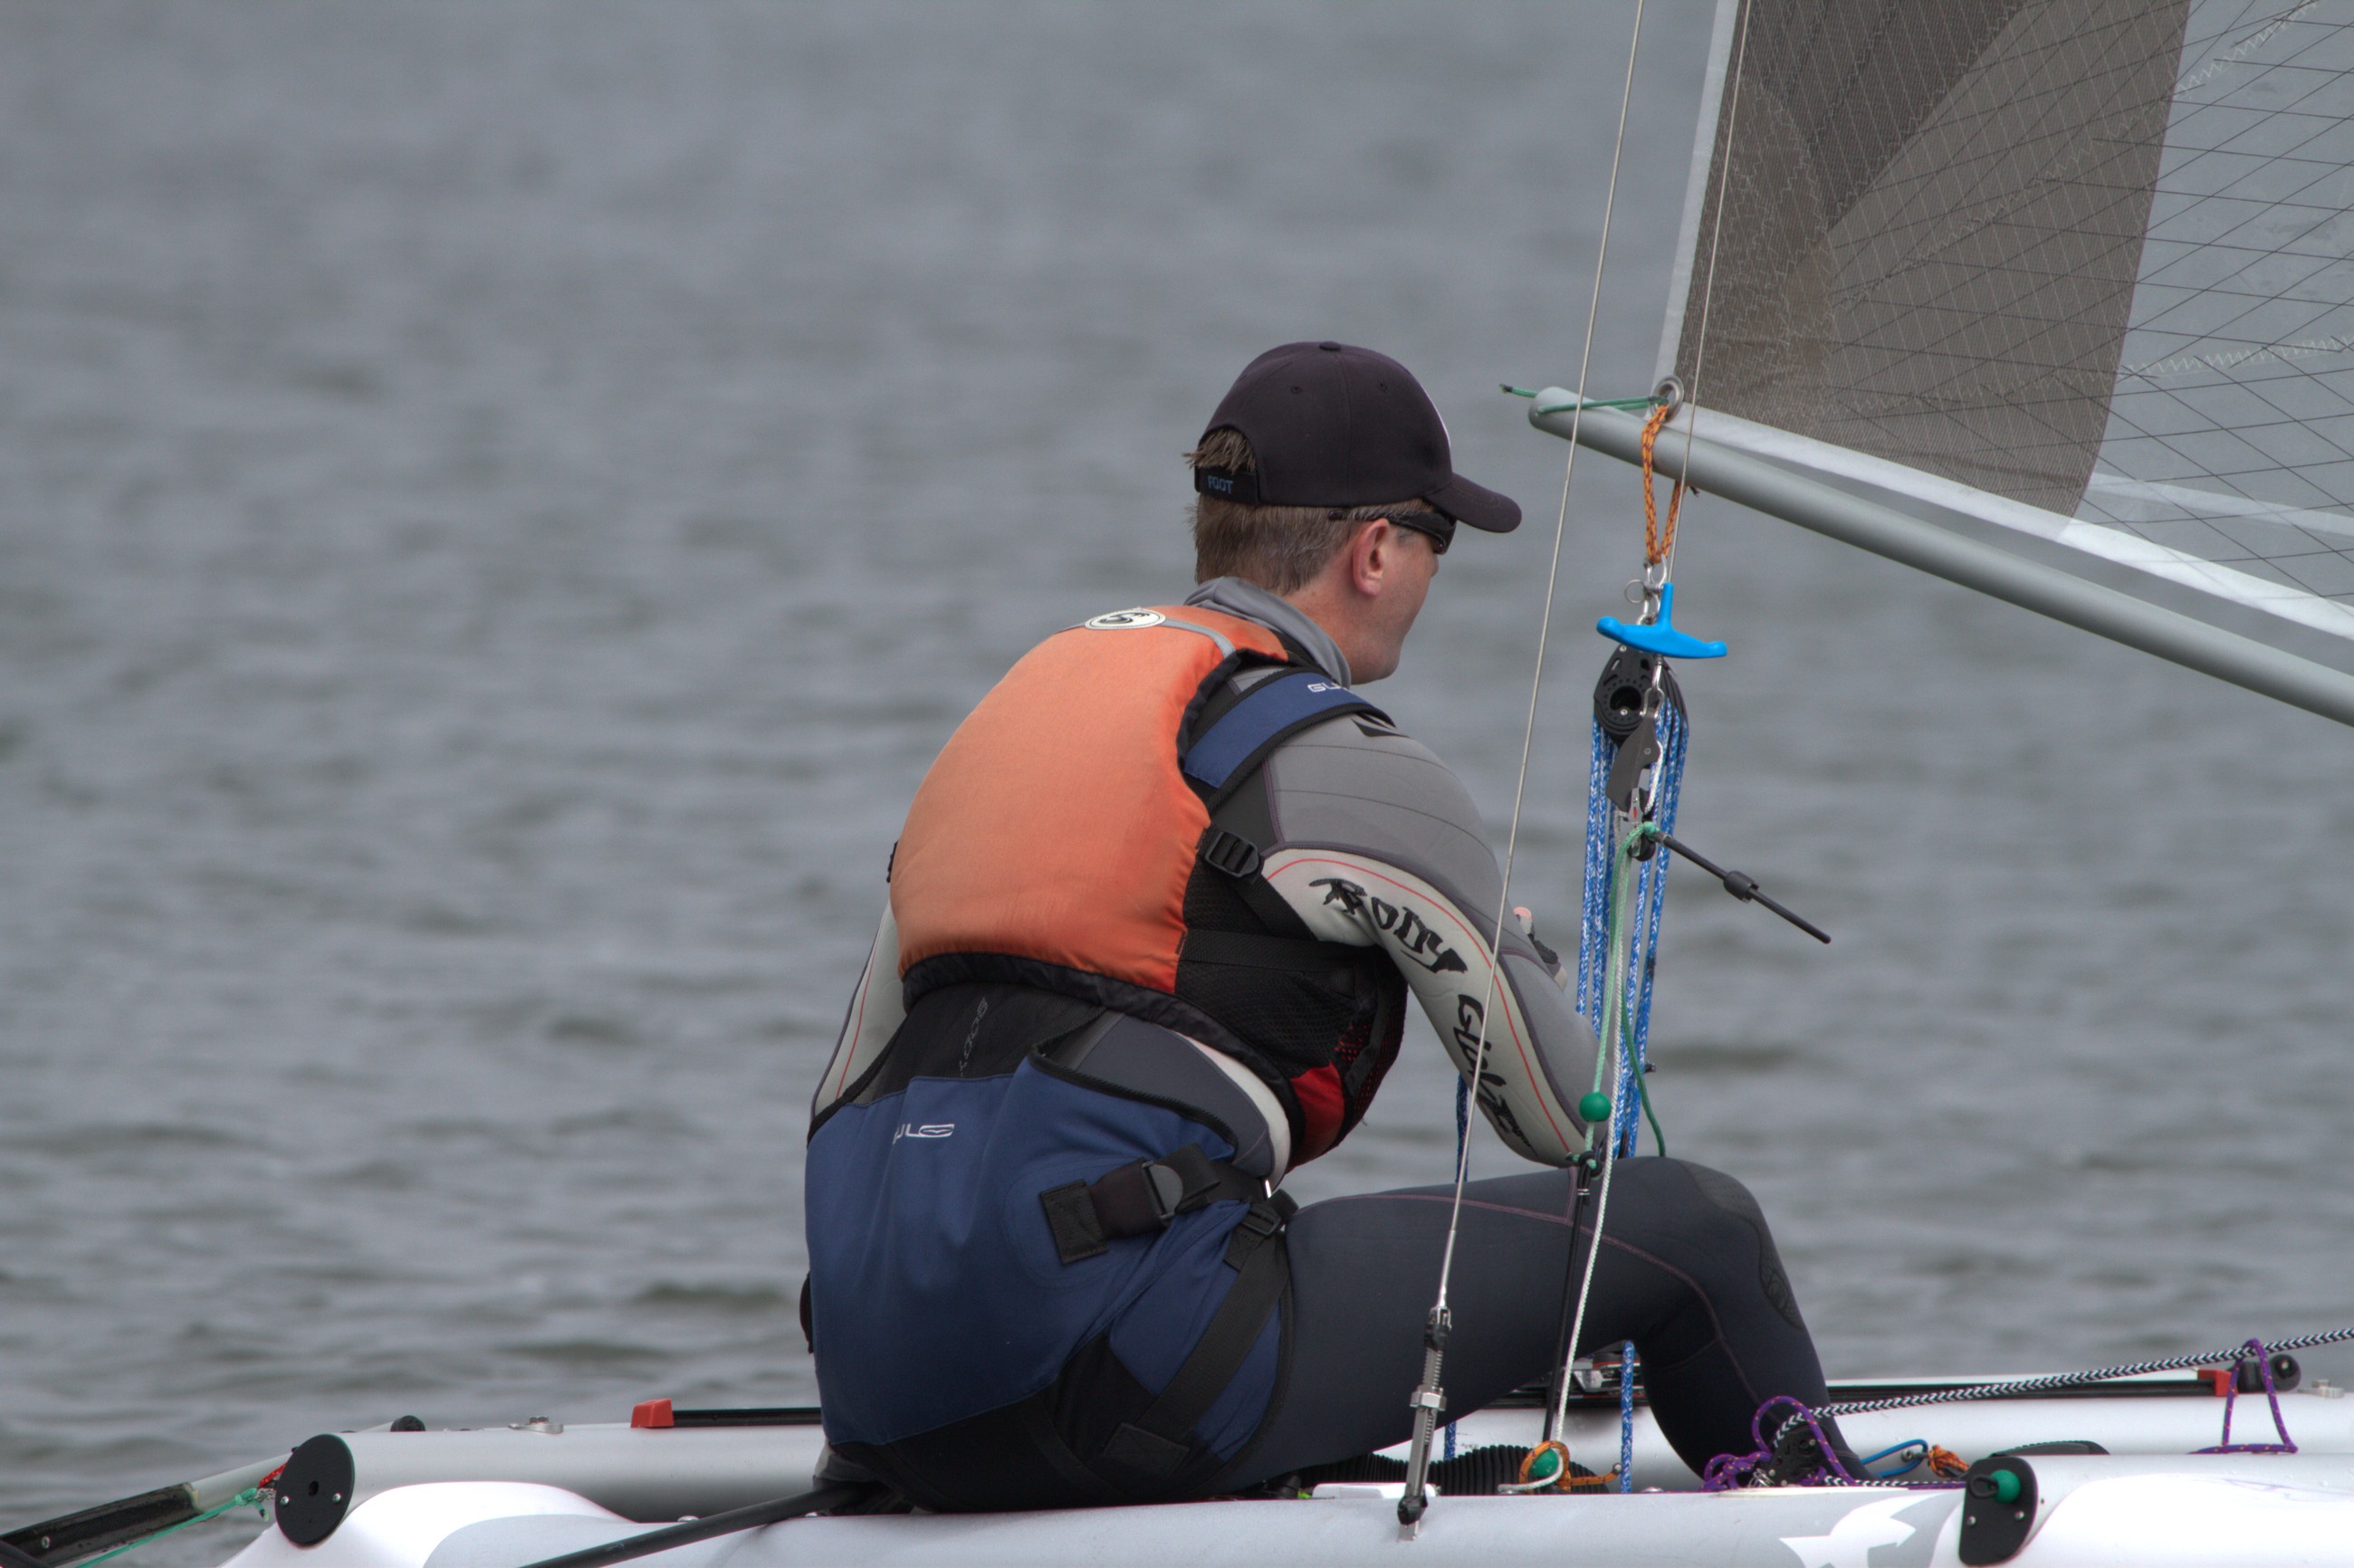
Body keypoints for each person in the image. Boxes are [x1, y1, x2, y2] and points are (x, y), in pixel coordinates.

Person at [802, 341, 1840, 1511]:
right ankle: (1833, 1512)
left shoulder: (1009, 727)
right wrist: (1514, 952)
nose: (1434, 577)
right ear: (1375, 551)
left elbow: (842, 1094)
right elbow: (1565, 1120)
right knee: (1697, 1233)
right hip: (1113, 1389)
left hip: (879, 1403)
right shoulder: (1350, 763)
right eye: (1439, 543)